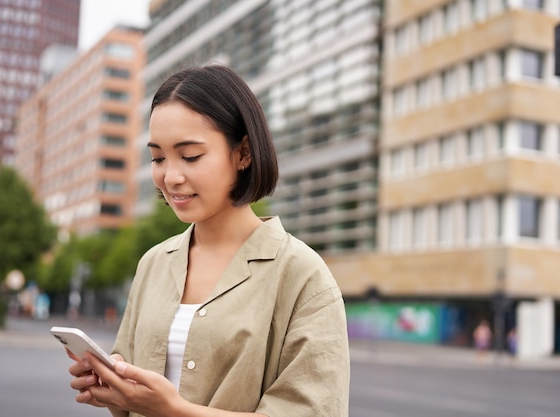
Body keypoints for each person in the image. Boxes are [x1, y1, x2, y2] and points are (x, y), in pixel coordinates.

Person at [66, 65, 350, 417]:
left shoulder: (302, 275)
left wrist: (174, 410)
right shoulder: (154, 262)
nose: (170, 177)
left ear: (243, 152)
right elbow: (131, 388)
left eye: (190, 156)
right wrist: (114, 383)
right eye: (157, 158)